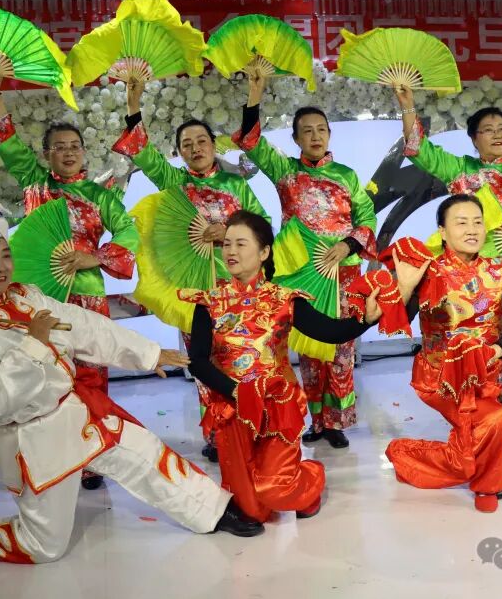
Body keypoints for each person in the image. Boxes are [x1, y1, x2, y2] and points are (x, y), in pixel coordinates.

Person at [0, 204, 264, 564]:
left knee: (146, 455)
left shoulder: (25, 297)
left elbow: (84, 326)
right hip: (34, 441)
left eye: (5, 254)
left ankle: (214, 510)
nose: (1, 266)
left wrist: (149, 354)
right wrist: (33, 345)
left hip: (77, 413)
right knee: (43, 547)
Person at [0, 71, 140, 490]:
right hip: (41, 297)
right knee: (43, 374)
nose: (68, 153)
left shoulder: (101, 196)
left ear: (84, 153)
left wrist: (96, 256)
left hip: (87, 297)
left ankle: (92, 459)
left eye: (74, 147)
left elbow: (128, 231)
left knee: (92, 376)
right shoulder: (36, 184)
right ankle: (50, 455)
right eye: (59, 147)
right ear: (46, 155)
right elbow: (5, 138)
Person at [180, 211, 383, 521]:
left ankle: (311, 479)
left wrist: (364, 321)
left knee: (274, 491)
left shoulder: (284, 299)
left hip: (277, 408)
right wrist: (237, 392)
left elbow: (329, 331)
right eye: (227, 244)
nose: (231, 251)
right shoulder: (209, 303)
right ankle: (271, 481)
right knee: (252, 512)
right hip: (233, 408)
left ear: (264, 252)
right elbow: (197, 361)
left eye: (241, 244)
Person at [113, 77, 269, 462]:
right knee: (202, 361)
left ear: (214, 145)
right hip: (194, 291)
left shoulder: (236, 185)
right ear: (180, 153)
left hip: (236, 290)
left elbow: (262, 225)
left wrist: (227, 232)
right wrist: (133, 102)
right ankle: (217, 434)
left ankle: (250, 425)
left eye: (202, 141)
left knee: (243, 358)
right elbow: (143, 153)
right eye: (187, 144)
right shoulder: (175, 182)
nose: (196, 148)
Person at [394, 86, 502, 417]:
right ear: (474, 139)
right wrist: (408, 106)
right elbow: (419, 150)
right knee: (474, 344)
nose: (498, 134)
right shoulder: (460, 169)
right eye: (488, 130)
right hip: (469, 278)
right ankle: (477, 417)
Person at [233, 72, 378, 448]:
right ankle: (316, 420)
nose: (315, 136)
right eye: (307, 131)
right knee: (310, 348)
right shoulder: (286, 172)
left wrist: (347, 246)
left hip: (343, 271)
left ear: (329, 135)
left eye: (321, 130)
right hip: (301, 273)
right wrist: (255, 91)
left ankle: (336, 422)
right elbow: (250, 141)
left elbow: (366, 218)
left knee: (342, 349)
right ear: (296, 139)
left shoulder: (347, 176)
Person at [382, 195, 502, 513]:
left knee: (479, 437)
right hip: (440, 379)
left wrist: (498, 348)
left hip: (483, 374)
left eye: (477, 222)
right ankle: (486, 484)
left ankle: (424, 458)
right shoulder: (429, 272)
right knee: (497, 420)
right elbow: (399, 322)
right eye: (461, 223)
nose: (472, 229)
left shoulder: (497, 270)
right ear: (442, 231)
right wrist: (405, 287)